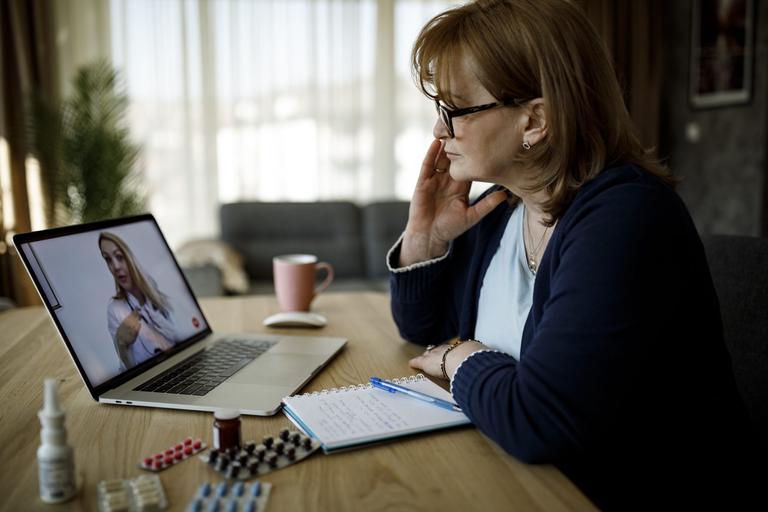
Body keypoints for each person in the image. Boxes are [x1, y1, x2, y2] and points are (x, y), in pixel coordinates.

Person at [387, 0, 759, 509]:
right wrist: (425, 240)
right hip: (524, 479)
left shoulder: (627, 217)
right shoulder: (502, 207)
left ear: (535, 121)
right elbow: (419, 328)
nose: (438, 131)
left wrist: (462, 359)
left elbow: (542, 420)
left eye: (455, 110)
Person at [99, 231, 181, 369]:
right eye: (107, 259)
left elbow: (183, 336)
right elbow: (128, 371)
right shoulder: (115, 309)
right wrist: (122, 345)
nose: (115, 266)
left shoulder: (155, 291)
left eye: (119, 256)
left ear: (130, 258)